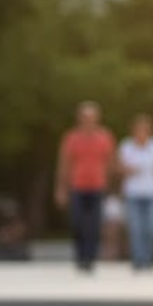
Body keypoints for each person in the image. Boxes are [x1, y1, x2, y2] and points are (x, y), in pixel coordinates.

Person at [54, 101, 115, 273]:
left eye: (91, 116)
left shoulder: (105, 137)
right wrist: (60, 188)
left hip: (98, 187)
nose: (88, 120)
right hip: (77, 186)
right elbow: (64, 164)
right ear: (79, 118)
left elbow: (111, 163)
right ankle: (80, 255)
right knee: (77, 222)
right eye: (85, 116)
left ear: (97, 118)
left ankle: (90, 258)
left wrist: (112, 186)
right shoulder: (71, 138)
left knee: (94, 225)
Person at [117, 114, 153, 271]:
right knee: (136, 229)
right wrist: (128, 170)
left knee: (152, 228)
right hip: (133, 194)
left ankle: (149, 258)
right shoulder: (126, 146)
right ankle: (139, 260)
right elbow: (118, 168)